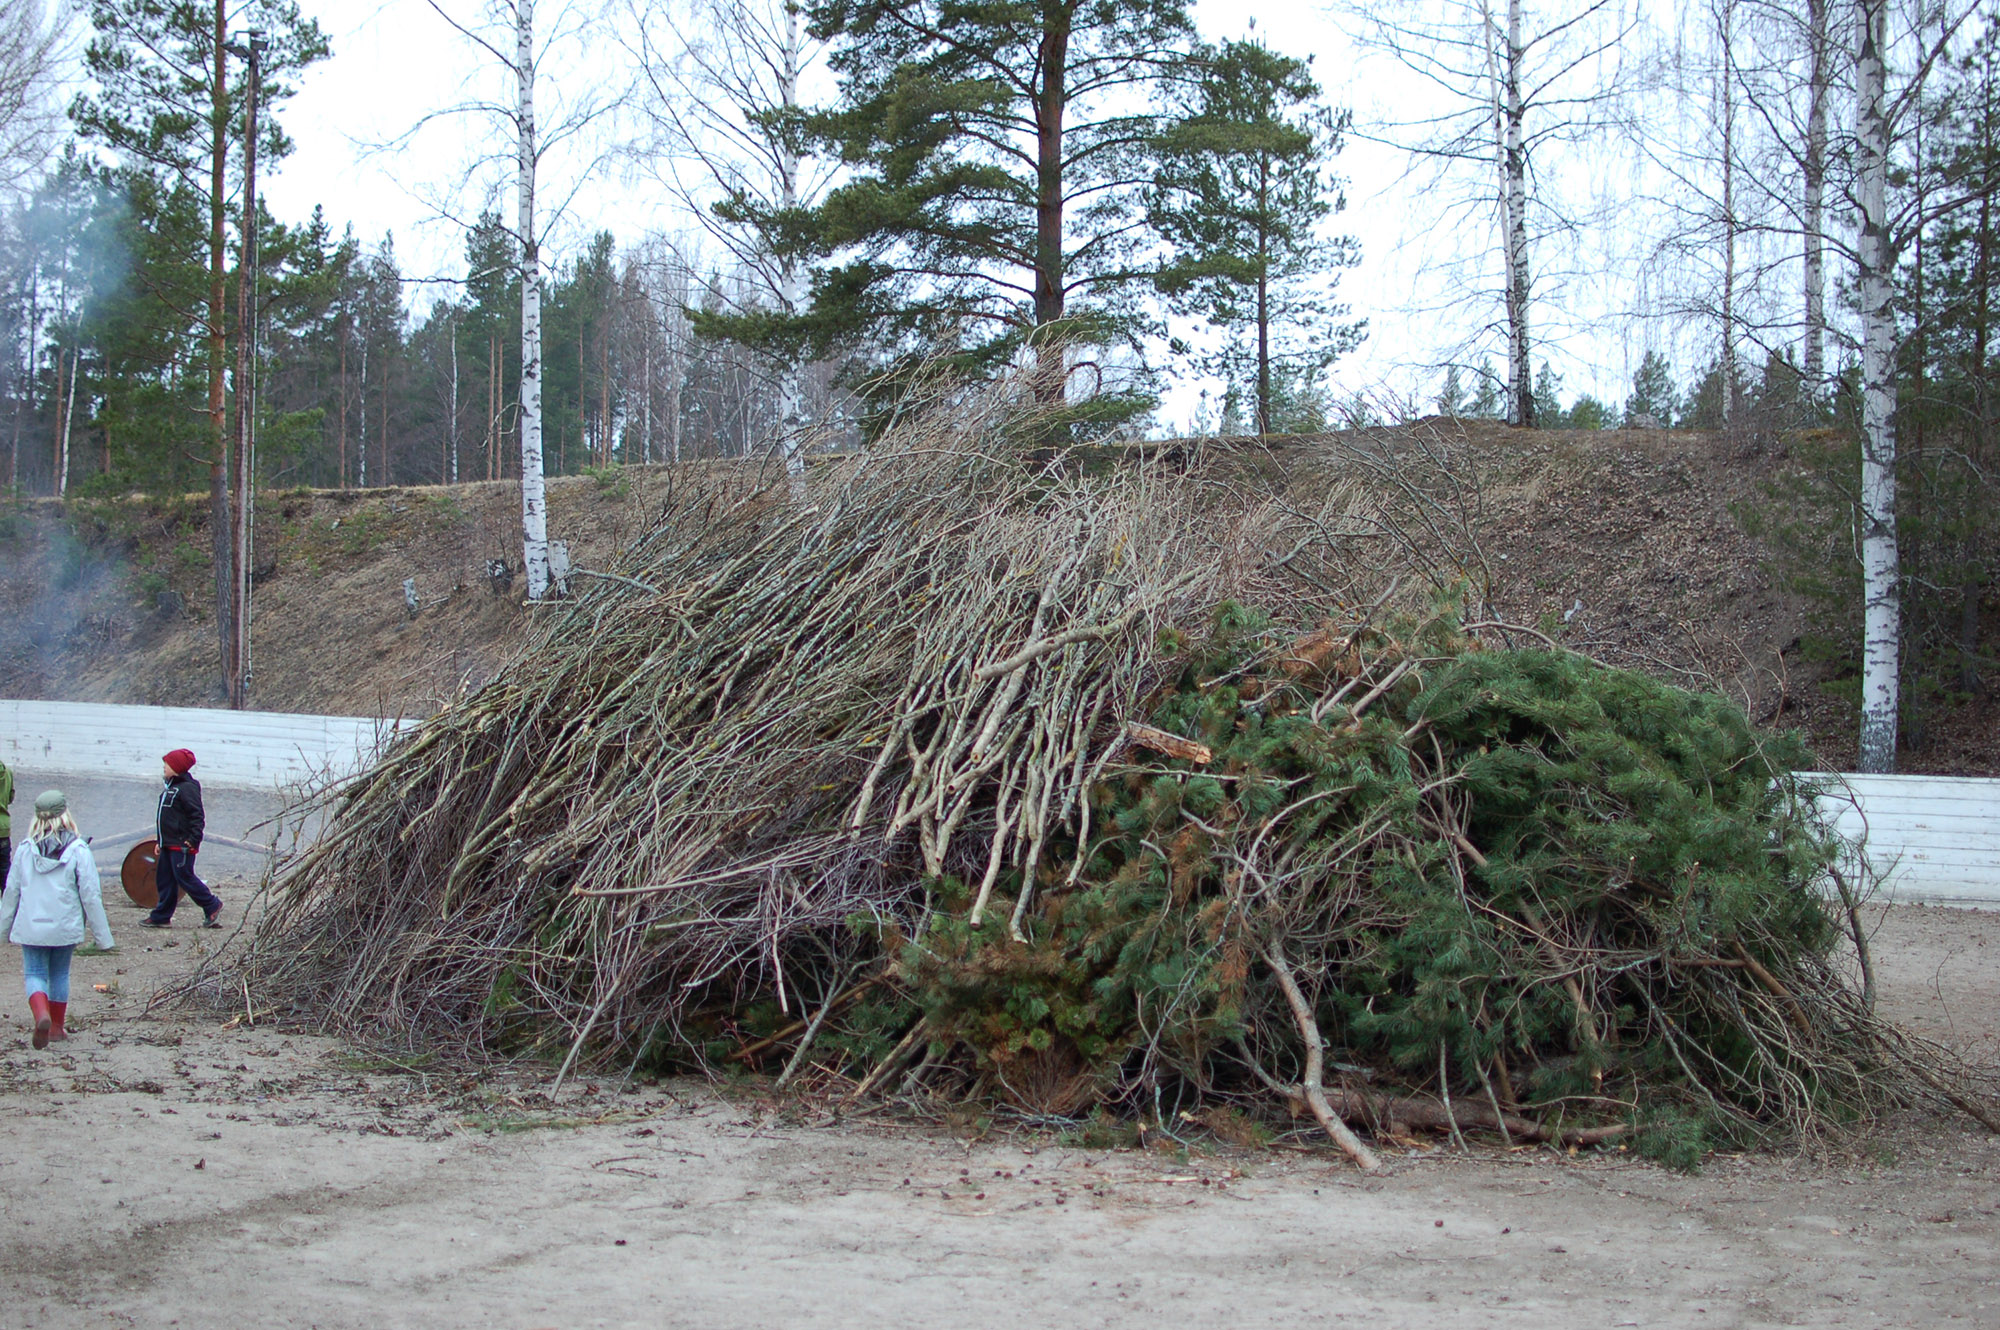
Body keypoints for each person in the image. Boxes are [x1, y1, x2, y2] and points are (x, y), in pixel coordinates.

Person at [0, 790, 114, 1049]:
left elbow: (11, 891)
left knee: (35, 973)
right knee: (60, 973)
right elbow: (90, 895)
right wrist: (103, 938)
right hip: (64, 926)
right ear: (65, 815)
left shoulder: (25, 850)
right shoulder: (78, 849)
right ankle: (56, 1027)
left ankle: (40, 1014)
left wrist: (3, 928)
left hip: (31, 926)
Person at [144, 748, 221, 930]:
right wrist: (160, 842)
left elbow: (197, 816)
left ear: (177, 767)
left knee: (184, 877)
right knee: (165, 879)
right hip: (169, 844)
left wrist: (193, 839)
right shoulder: (172, 788)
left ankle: (212, 904)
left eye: (167, 764)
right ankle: (161, 916)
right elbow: (168, 819)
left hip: (182, 845)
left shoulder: (187, 788)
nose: (164, 767)